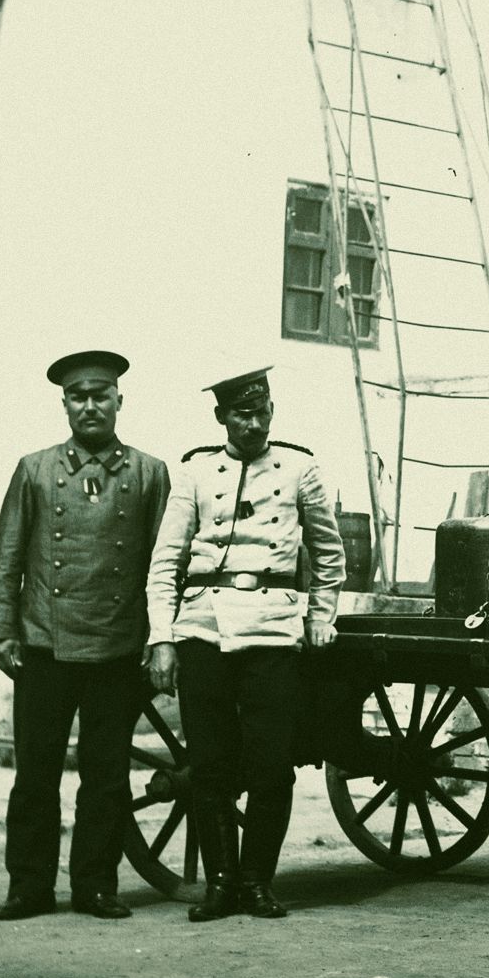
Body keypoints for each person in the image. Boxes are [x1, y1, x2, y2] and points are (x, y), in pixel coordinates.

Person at [146, 367, 345, 922]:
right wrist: (163, 637)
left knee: (271, 766)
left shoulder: (301, 468)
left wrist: (319, 618)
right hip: (204, 628)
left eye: (262, 412)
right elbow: (165, 562)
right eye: (241, 413)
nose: (254, 423)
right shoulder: (193, 473)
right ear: (221, 418)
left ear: (272, 412)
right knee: (209, 764)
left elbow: (329, 555)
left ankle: (257, 882)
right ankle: (220, 885)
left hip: (273, 631)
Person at [0, 349, 171, 921]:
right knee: (35, 777)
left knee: (107, 778)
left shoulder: (148, 472)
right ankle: (30, 887)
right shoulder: (35, 469)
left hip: (117, 648)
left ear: (119, 400)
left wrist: (157, 640)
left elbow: (165, 565)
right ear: (64, 403)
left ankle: (95, 885)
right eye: (78, 397)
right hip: (44, 644)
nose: (90, 406)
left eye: (100, 396)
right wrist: (2, 632)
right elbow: (7, 555)